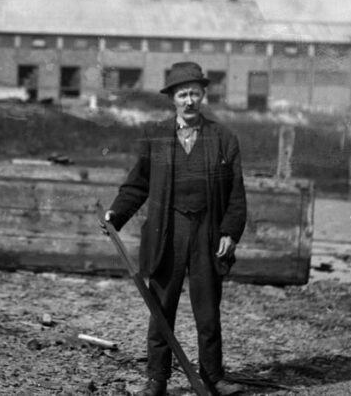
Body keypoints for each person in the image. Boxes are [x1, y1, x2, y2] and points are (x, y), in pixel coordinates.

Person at [102, 61, 247, 396]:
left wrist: (229, 232)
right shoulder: (156, 138)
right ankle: (157, 379)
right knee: (161, 308)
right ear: (172, 98)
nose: (189, 100)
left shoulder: (224, 138)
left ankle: (213, 377)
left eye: (195, 93)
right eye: (183, 94)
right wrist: (115, 215)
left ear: (204, 95)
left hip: (207, 235)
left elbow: (237, 194)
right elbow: (137, 186)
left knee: (208, 311)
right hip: (167, 233)